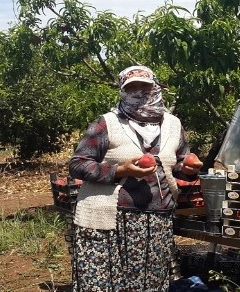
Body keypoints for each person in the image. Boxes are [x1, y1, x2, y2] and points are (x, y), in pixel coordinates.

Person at [68, 65, 203, 291]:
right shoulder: (107, 123)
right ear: (123, 92)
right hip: (111, 220)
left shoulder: (173, 124)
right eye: (132, 89)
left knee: (149, 282)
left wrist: (189, 168)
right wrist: (120, 171)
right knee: (107, 282)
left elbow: (177, 164)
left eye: (145, 86)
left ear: (156, 87)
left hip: (156, 220)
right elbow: (78, 164)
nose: (140, 93)